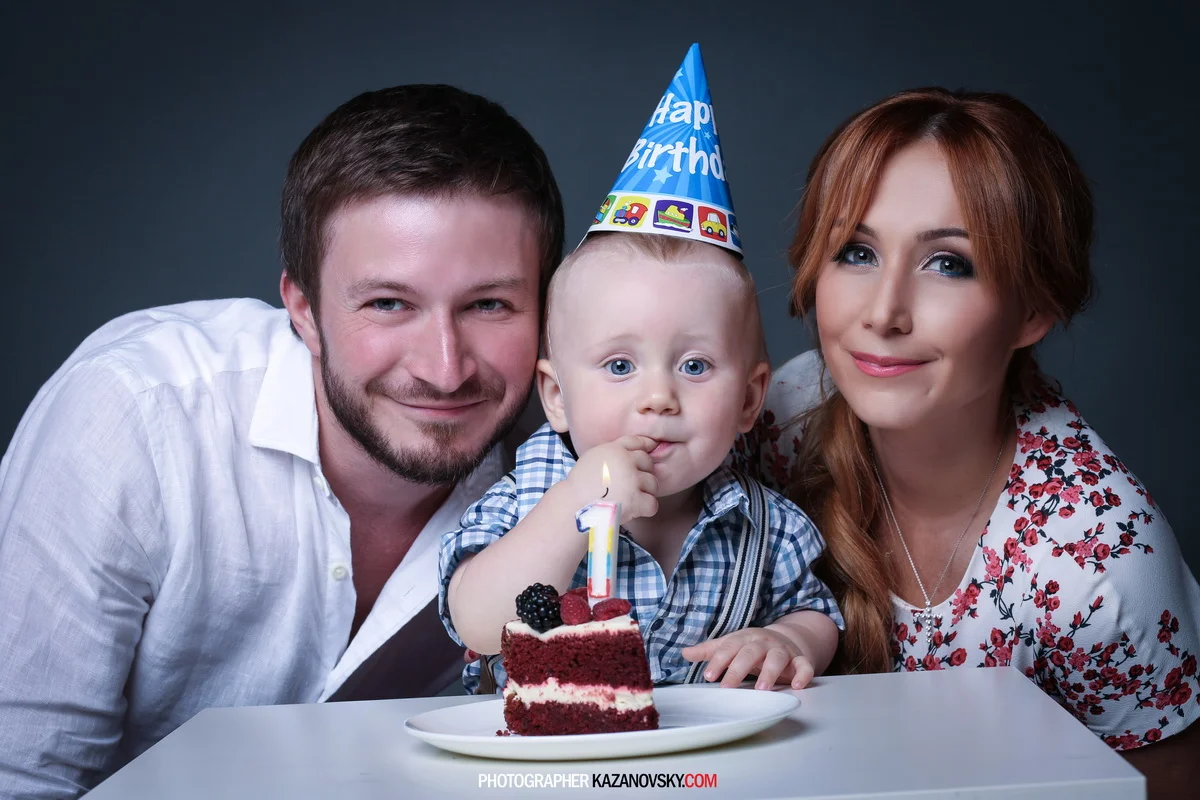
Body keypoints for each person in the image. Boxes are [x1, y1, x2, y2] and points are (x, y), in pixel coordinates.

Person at [0, 84, 563, 798]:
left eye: (490, 305)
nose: (443, 368)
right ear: (302, 307)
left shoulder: (568, 461)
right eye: (389, 303)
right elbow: (19, 775)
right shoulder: (138, 416)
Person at [744, 87, 1200, 795]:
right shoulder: (779, 419)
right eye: (856, 251)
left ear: (1034, 308)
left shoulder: (1099, 563)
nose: (883, 313)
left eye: (948, 263)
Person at [439, 43, 841, 695]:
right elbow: (477, 623)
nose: (658, 397)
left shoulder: (766, 526)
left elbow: (817, 611)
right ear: (556, 395)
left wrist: (789, 638)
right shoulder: (526, 501)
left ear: (749, 398)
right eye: (620, 364)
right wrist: (576, 500)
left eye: (695, 365)